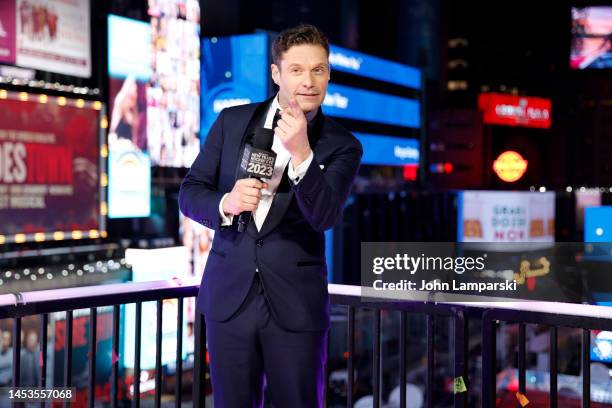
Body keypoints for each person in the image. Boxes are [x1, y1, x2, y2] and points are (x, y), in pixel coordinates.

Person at [179, 24, 362, 407]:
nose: (309, 81)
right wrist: (226, 203)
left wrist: (301, 154)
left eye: (318, 70)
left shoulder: (342, 145)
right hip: (229, 300)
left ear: (328, 74)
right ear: (276, 74)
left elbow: (325, 215)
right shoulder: (232, 122)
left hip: (296, 307)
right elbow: (190, 193)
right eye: (296, 70)